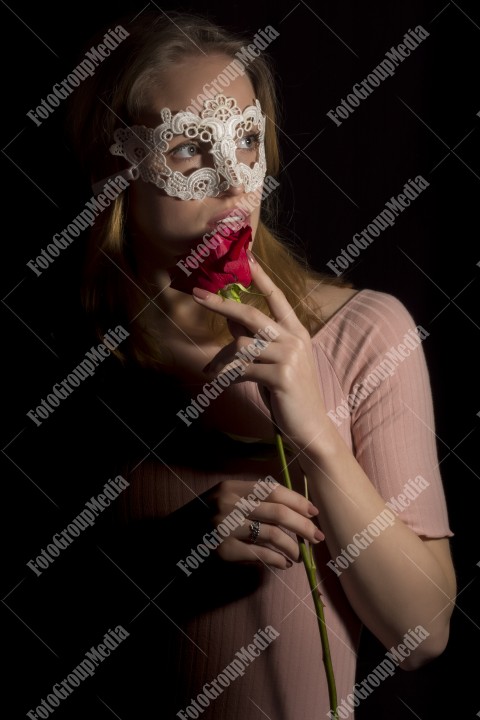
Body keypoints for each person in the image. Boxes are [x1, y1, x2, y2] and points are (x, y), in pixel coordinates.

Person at [64, 9, 456, 719]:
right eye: (187, 148)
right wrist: (169, 556)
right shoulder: (78, 355)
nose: (232, 180)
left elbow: (423, 634)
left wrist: (316, 439)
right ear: (117, 166)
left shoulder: (364, 336)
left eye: (247, 140)